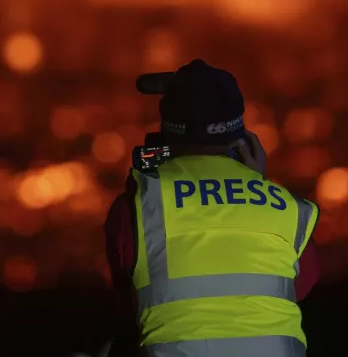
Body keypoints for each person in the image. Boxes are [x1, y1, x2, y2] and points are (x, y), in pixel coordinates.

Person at [104, 59, 321, 357]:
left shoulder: (138, 207)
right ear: (245, 142)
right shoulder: (288, 209)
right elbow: (291, 291)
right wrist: (256, 184)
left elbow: (128, 308)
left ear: (166, 136)